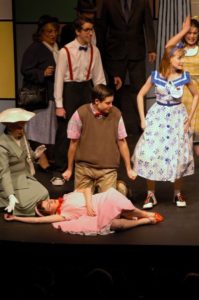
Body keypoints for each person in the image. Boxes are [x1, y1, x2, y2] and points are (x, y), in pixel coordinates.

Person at [131, 40, 199, 209]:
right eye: (178, 58)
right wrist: (142, 119)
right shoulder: (155, 75)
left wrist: (189, 118)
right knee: (150, 153)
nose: (181, 61)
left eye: (182, 58)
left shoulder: (184, 76)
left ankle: (177, 193)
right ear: (169, 58)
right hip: (158, 116)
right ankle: (150, 194)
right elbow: (140, 95)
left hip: (177, 117)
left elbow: (196, 95)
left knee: (178, 154)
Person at [53, 16, 106, 176]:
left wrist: (103, 99)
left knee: (89, 128)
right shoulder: (65, 51)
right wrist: (59, 105)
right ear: (78, 32)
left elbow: (99, 77)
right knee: (65, 131)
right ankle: (60, 170)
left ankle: (86, 168)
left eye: (92, 29)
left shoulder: (94, 50)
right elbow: (59, 79)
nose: (91, 33)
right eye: (87, 29)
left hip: (86, 90)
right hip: (69, 91)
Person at [62, 84, 137, 193]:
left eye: (112, 102)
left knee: (107, 205)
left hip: (107, 169)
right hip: (84, 168)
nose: (111, 105)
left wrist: (129, 169)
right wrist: (69, 169)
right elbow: (73, 143)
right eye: (107, 103)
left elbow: (122, 142)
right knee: (81, 204)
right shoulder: (80, 113)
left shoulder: (116, 114)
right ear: (97, 101)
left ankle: (119, 188)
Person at [4, 187, 164, 235]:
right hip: (96, 216)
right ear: (49, 213)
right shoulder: (62, 215)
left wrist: (88, 204)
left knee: (120, 204)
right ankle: (145, 221)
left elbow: (87, 190)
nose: (50, 201)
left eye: (48, 200)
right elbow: (38, 220)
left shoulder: (67, 196)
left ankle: (145, 214)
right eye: (48, 205)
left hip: (98, 201)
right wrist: (17, 218)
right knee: (114, 224)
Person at [99, 0, 156, 112]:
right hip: (115, 52)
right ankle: (114, 120)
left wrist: (151, 48)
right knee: (115, 90)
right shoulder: (108, 3)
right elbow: (103, 28)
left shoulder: (142, 2)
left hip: (136, 51)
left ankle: (141, 121)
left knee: (139, 88)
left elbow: (148, 24)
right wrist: (100, 51)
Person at [20, 14, 60, 171]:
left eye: (55, 31)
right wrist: (42, 73)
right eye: (49, 31)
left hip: (52, 95)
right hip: (40, 97)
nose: (53, 34)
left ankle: (47, 158)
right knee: (38, 129)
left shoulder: (57, 48)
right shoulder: (35, 48)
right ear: (41, 33)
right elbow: (25, 69)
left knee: (50, 130)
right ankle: (42, 161)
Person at [0, 108, 49, 216]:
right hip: (11, 181)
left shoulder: (22, 137)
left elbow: (27, 153)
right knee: (24, 203)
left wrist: (35, 154)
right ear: (9, 127)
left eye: (23, 127)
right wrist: (11, 195)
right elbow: (4, 173)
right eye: (18, 127)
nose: (21, 130)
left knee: (44, 193)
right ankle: (4, 200)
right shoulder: (2, 145)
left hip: (24, 176)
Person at [165, 16, 199, 156]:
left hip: (196, 92)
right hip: (182, 93)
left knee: (198, 136)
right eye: (189, 33)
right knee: (183, 133)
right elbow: (168, 47)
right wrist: (182, 30)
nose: (191, 36)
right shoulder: (179, 50)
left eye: (195, 33)